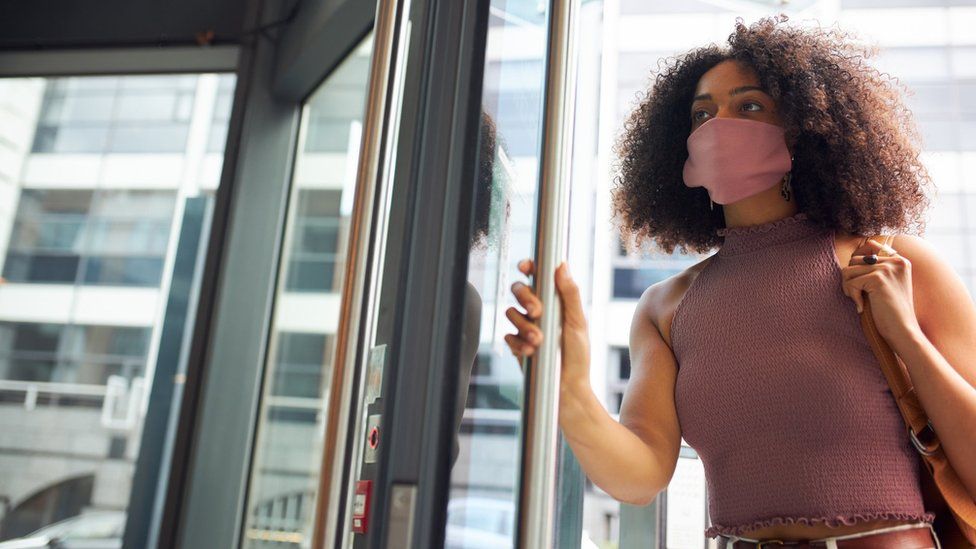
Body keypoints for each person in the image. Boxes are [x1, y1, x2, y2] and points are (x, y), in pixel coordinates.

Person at [505, 14, 976, 549]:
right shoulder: (666, 307)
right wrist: (568, 390)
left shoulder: (893, 266)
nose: (716, 126)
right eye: (702, 114)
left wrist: (908, 338)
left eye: (748, 106)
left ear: (805, 130)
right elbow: (639, 477)